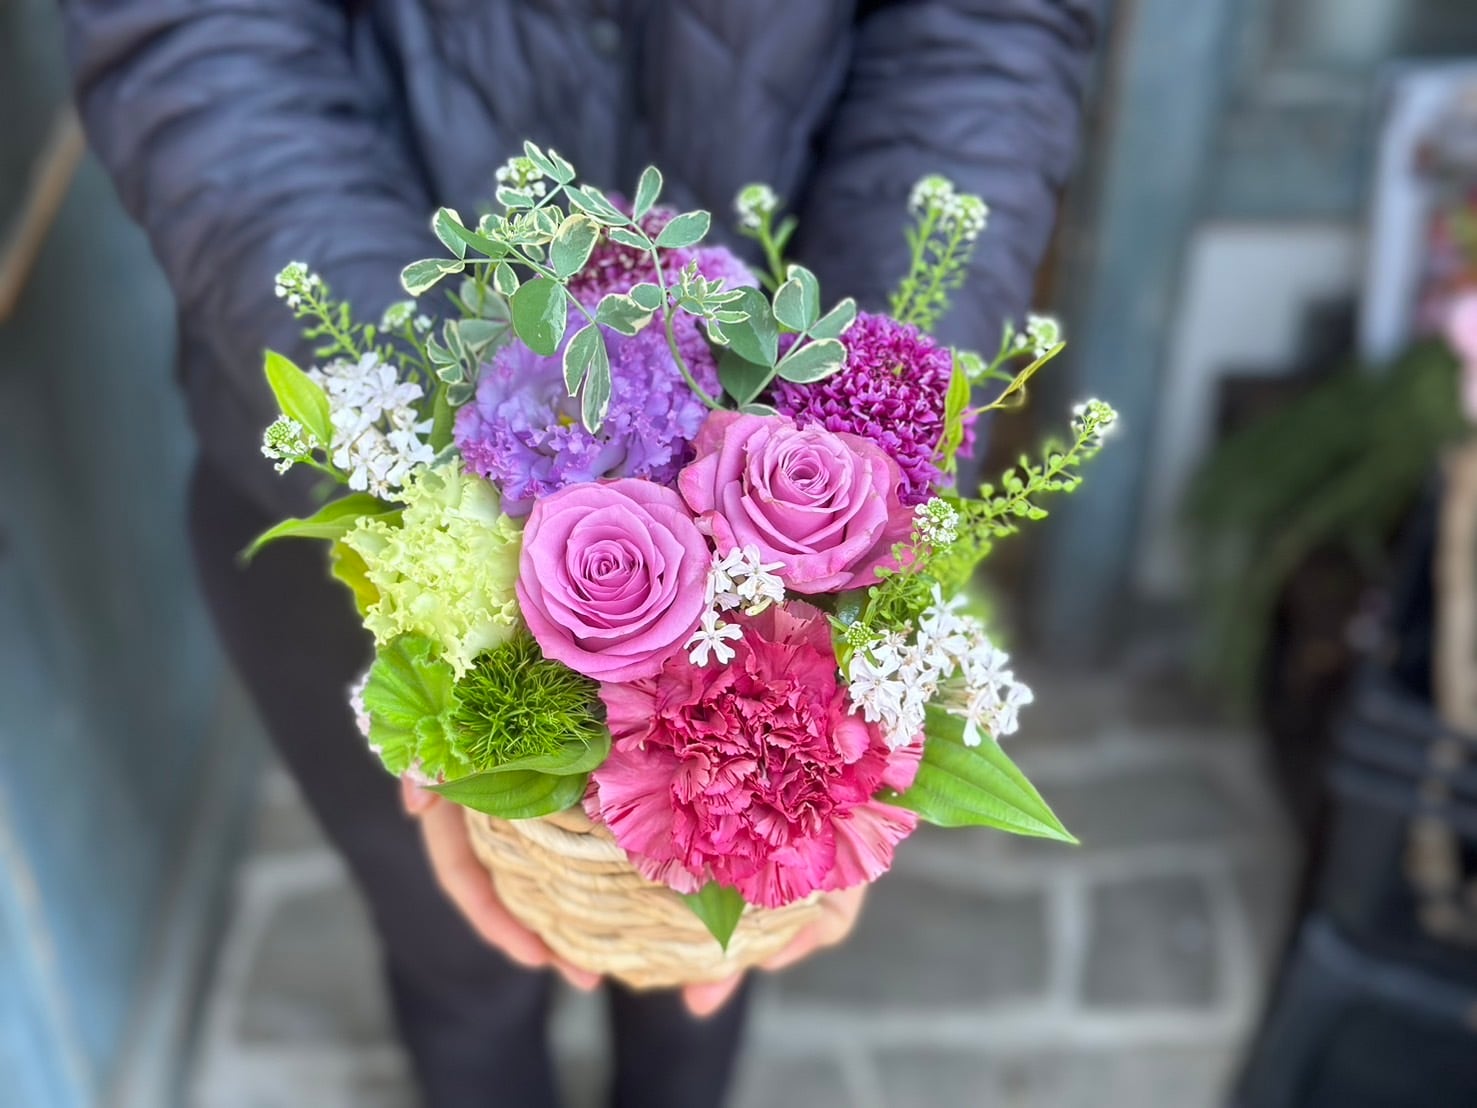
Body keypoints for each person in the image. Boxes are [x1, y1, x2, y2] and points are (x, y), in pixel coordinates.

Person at [61, 2, 1099, 1105]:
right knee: (457, 962)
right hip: (360, 473)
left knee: (700, 963)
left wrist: (860, 446)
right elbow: (194, 35)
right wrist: (436, 470)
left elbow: (986, 28)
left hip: (774, 406)